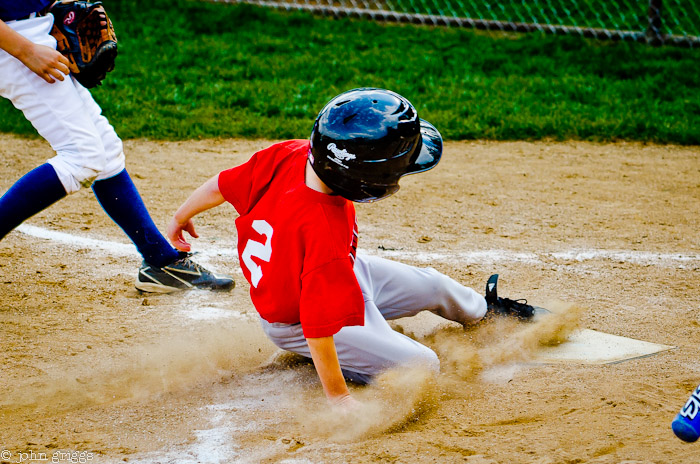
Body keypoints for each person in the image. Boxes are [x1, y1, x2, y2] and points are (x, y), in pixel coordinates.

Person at [166, 88, 535, 409]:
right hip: (297, 321)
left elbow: (222, 183)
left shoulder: (292, 153)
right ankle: (345, 363)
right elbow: (317, 325)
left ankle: (485, 311)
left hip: (337, 273)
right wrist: (338, 399)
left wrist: (181, 215)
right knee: (423, 366)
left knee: (435, 285)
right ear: (366, 181)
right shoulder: (323, 227)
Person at [0, 1, 233, 293]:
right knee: (83, 156)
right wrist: (25, 50)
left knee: (106, 152)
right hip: (12, 42)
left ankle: (160, 263)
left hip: (34, 29)